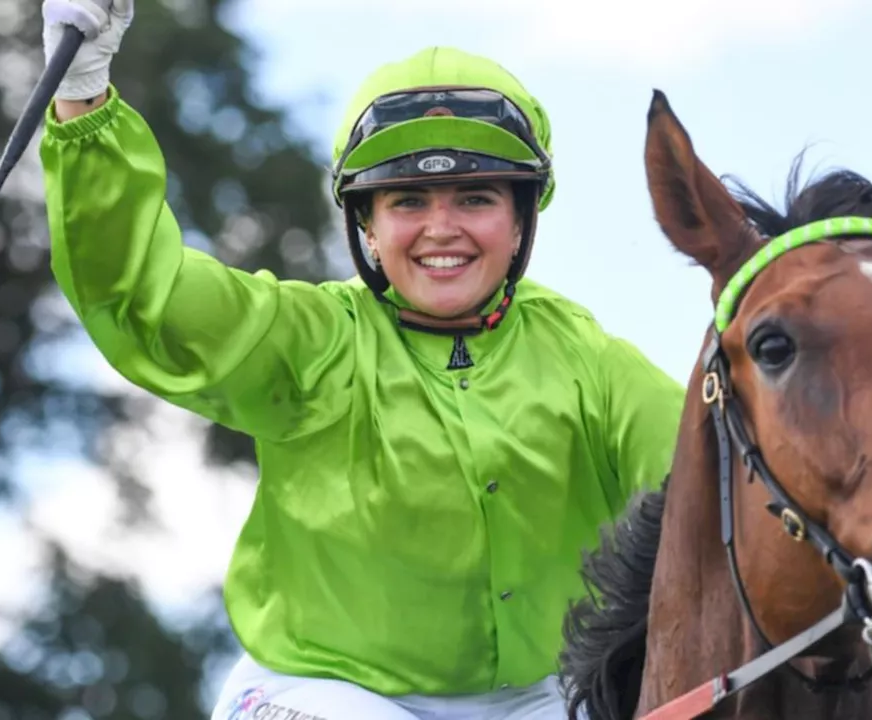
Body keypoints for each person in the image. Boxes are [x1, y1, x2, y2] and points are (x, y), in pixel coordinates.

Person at [39, 1, 687, 718]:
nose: (442, 230)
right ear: (368, 228)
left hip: (540, 698)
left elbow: (717, 477)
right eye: (408, 200)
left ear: (521, 218)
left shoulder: (589, 361)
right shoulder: (308, 342)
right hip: (322, 694)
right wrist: (83, 94)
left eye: (475, 197)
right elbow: (141, 294)